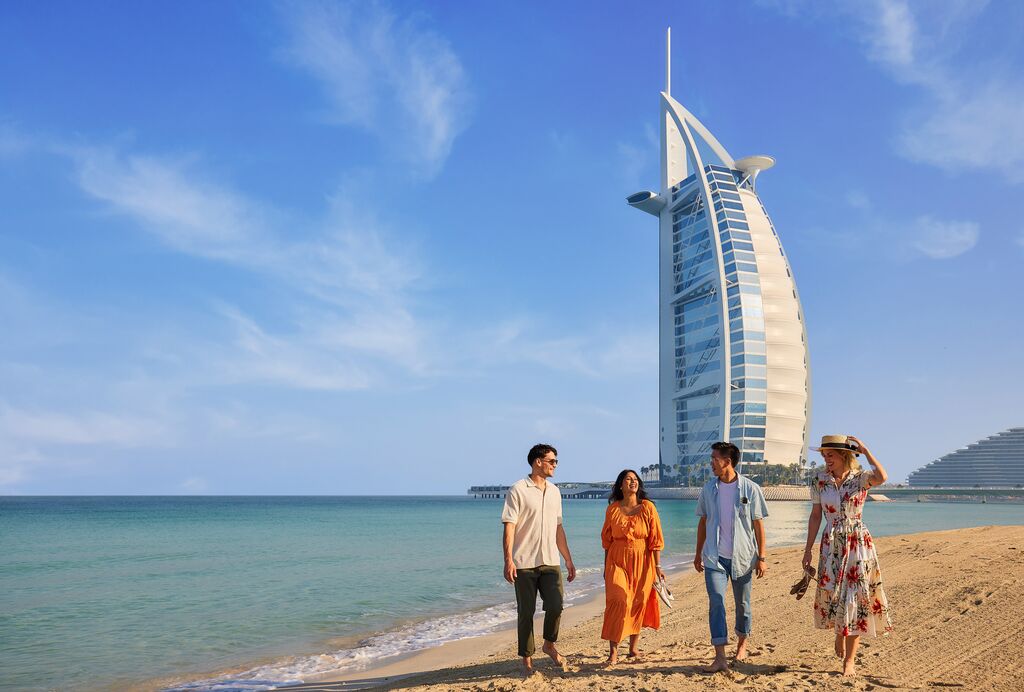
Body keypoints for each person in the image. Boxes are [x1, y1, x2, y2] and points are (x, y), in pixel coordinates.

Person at [802, 434, 893, 677]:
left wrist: (865, 449)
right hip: (830, 542)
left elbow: (883, 477)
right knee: (834, 594)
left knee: (855, 597)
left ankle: (849, 661)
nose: (825, 459)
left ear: (844, 455)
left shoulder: (861, 479)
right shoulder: (819, 480)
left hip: (856, 543)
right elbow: (815, 516)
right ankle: (839, 633)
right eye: (823, 455)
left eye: (829, 454)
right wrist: (808, 549)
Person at [501, 443, 577, 676]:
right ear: (538, 462)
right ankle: (527, 659)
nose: (555, 465)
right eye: (552, 461)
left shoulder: (555, 491)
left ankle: (549, 645)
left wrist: (568, 559)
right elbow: (509, 527)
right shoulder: (518, 489)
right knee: (526, 612)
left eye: (555, 461)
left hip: (550, 560)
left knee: (556, 605)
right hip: (524, 562)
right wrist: (508, 560)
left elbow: (558, 528)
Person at [693, 441, 769, 673]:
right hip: (714, 557)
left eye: (715, 460)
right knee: (716, 602)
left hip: (743, 557)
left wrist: (762, 557)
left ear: (728, 461)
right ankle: (720, 656)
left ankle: (742, 643)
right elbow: (703, 521)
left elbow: (758, 525)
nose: (711, 464)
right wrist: (698, 553)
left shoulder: (750, 489)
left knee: (743, 605)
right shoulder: (708, 489)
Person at [600, 469, 665, 666]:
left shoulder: (647, 508)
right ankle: (613, 652)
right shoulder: (612, 509)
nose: (632, 482)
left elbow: (655, 540)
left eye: (635, 479)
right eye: (628, 479)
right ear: (621, 485)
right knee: (619, 601)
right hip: (616, 560)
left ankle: (633, 648)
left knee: (638, 602)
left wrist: (658, 567)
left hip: (643, 561)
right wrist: (605, 567)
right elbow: (607, 541)